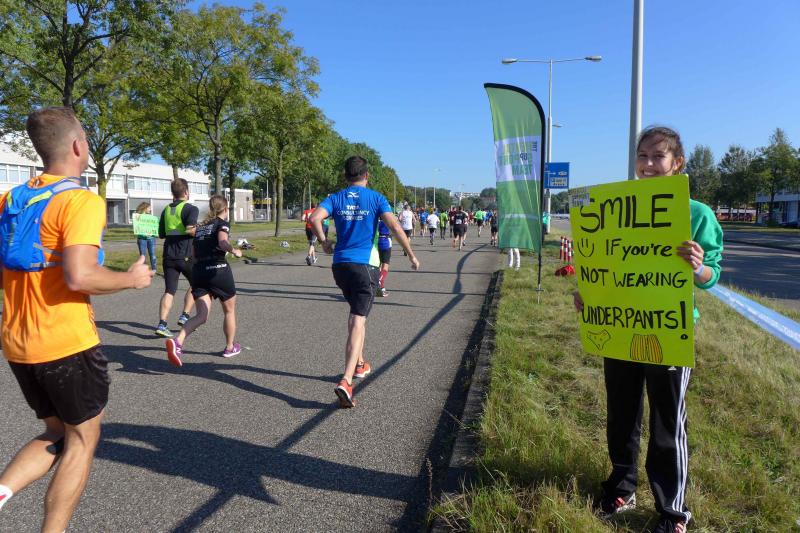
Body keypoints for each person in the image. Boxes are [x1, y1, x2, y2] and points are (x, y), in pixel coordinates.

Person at [0, 107, 153, 532]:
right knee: (82, 441)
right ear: (77, 146)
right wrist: (131, 279)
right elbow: (80, 276)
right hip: (66, 343)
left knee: (55, 433)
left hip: (18, 343)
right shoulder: (80, 200)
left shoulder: (10, 200)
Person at [573, 126, 723, 533]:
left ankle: (673, 511)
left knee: (666, 423)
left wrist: (698, 266)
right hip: (621, 328)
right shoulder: (617, 207)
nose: (648, 163)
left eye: (658, 156)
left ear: (677, 163)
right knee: (621, 414)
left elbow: (712, 277)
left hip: (668, 332)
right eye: (643, 155)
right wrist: (590, 295)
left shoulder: (696, 214)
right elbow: (606, 263)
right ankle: (622, 487)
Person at [310, 156, 419, 408]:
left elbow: (315, 218)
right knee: (357, 320)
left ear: (345, 176)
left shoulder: (336, 198)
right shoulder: (376, 198)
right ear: (367, 175)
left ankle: (359, 364)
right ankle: (346, 381)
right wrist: (411, 254)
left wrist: (324, 242)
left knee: (357, 314)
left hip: (340, 266)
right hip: (365, 266)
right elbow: (394, 226)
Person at [166, 194, 244, 367]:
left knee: (201, 315)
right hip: (218, 271)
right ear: (226, 209)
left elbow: (194, 252)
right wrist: (235, 251)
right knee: (229, 311)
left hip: (199, 272)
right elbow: (222, 242)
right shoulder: (222, 223)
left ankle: (178, 341)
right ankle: (230, 347)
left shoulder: (201, 227)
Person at [155, 178, 198, 337]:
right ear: (186, 192)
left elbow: (161, 234)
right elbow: (190, 230)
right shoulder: (191, 209)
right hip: (186, 255)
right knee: (196, 284)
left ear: (173, 193)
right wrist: (200, 229)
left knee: (170, 290)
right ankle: (185, 315)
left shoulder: (165, 210)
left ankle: (162, 324)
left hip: (168, 255)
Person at [134, 202, 157, 271]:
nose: (150, 209)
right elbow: (137, 228)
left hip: (151, 238)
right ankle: (145, 270)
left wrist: (153, 233)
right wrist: (144, 234)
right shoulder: (137, 217)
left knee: (151, 254)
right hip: (142, 239)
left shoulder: (151, 218)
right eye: (149, 208)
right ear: (145, 208)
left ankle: (153, 269)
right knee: (143, 256)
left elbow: (155, 227)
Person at [376, 218, 392, 297]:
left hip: (377, 241)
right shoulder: (387, 221)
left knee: (378, 265)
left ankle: (382, 288)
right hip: (386, 241)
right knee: (385, 265)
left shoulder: (377, 222)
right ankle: (379, 281)